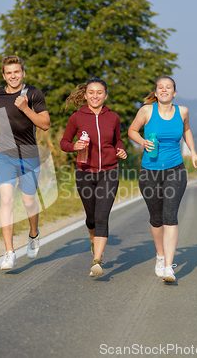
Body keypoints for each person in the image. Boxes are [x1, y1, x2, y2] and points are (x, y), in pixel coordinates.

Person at [128, 76, 197, 283]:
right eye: (160, 87)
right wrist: (142, 142)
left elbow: (186, 130)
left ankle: (169, 267)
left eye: (168, 87)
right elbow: (132, 130)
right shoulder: (146, 111)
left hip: (175, 170)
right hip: (149, 171)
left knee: (170, 216)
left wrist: (194, 152)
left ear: (174, 93)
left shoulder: (183, 111)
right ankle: (160, 256)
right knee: (156, 218)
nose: (164, 90)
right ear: (156, 92)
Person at [0, 55, 50, 270]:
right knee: (6, 200)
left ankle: (33, 234)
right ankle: (9, 252)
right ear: (4, 76)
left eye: (17, 72)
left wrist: (24, 107)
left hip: (29, 154)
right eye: (9, 73)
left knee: (28, 202)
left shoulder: (33, 94)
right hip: (5, 154)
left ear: (23, 73)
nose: (13, 76)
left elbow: (45, 124)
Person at [60, 78, 127, 278]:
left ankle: (97, 260)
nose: (95, 96)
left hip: (109, 171)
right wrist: (74, 147)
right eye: (91, 92)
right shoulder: (76, 117)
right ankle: (93, 237)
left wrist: (120, 150)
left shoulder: (113, 117)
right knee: (91, 218)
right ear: (86, 95)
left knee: (102, 216)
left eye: (99, 92)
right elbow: (64, 142)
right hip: (84, 173)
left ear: (105, 95)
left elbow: (118, 140)